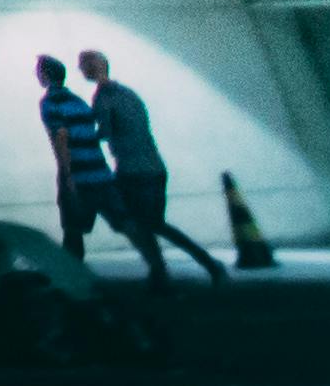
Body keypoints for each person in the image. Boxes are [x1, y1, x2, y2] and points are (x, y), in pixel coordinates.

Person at [78, 48, 229, 283]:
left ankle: (182, 267)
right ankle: (180, 268)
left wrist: (73, 137)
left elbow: (103, 132)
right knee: (151, 223)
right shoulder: (129, 94)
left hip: (133, 170)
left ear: (94, 67)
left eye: (83, 65)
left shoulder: (104, 97)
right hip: (154, 167)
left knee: (139, 223)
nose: (81, 69)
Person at [33, 55, 108, 251]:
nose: (36, 75)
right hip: (99, 171)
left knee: (72, 229)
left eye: (38, 71)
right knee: (123, 222)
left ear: (46, 75)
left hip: (77, 172)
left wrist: (66, 176)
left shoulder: (50, 102)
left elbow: (61, 138)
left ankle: (74, 277)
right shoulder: (79, 101)